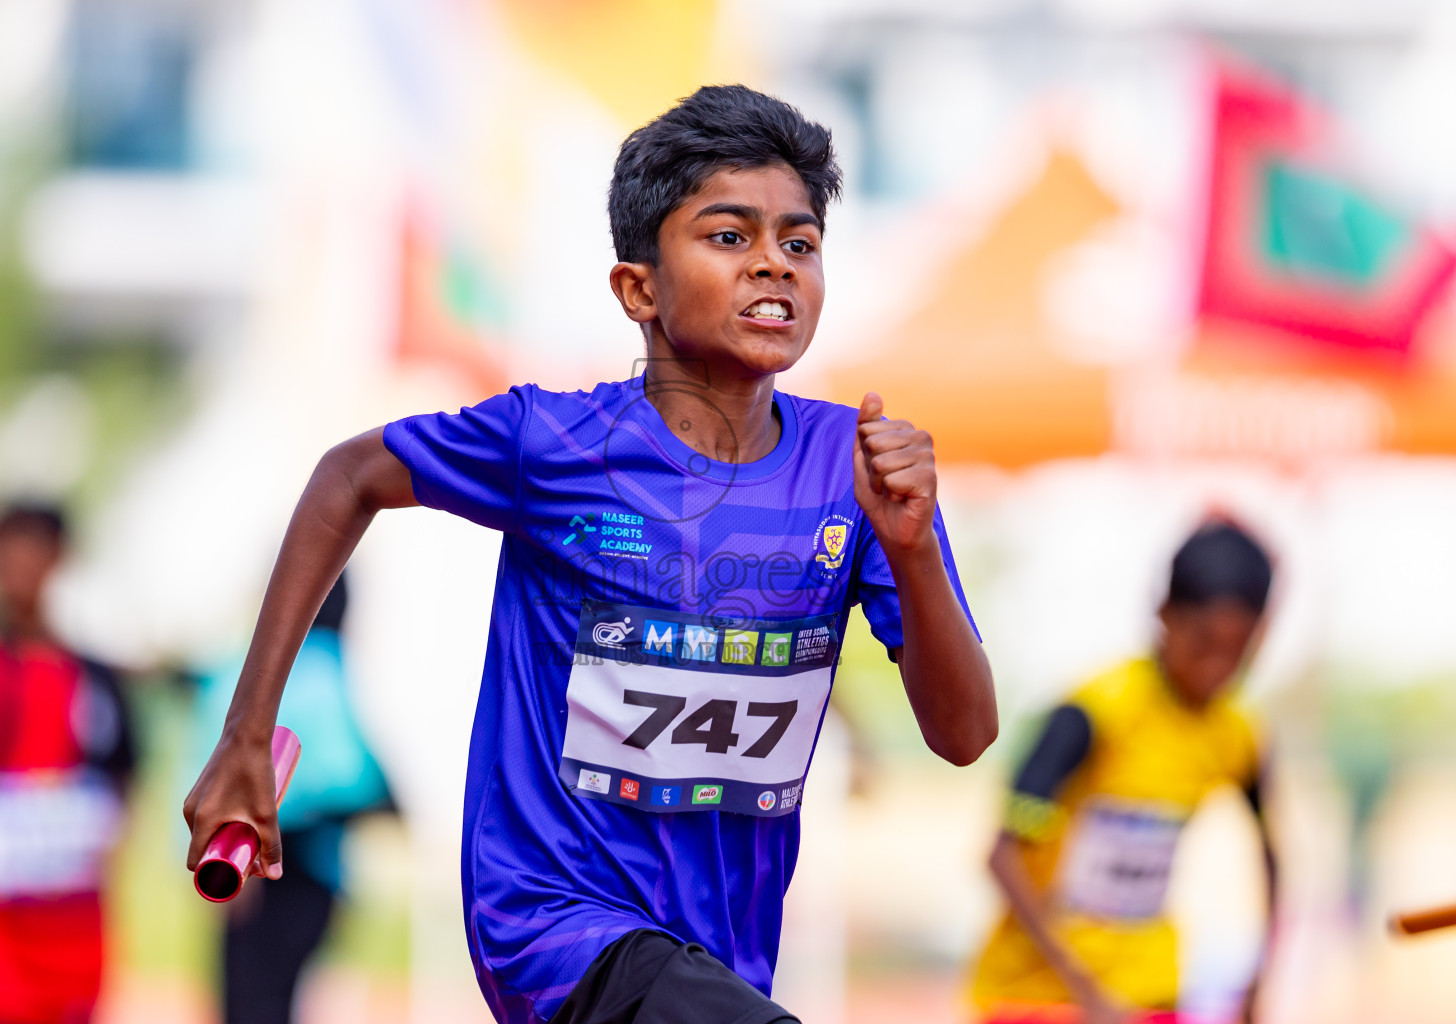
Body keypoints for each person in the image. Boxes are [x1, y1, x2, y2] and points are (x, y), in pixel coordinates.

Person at [183, 84, 998, 1024]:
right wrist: (247, 733)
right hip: (552, 927)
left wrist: (913, 553)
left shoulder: (857, 475)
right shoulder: (554, 443)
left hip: (723, 959)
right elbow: (347, 476)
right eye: (730, 237)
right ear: (638, 288)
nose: (773, 264)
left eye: (800, 242)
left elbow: (965, 734)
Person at [971, 521, 1278, 1024]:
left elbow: (1272, 855)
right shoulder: (1093, 713)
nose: (1216, 669)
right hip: (1037, 998)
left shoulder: (1237, 733)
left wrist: (1258, 981)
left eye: (1237, 651)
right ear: (1164, 616)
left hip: (1149, 993)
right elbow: (1003, 858)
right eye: (1204, 644)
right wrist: (1087, 994)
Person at [0, 503, 136, 1024]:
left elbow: (123, 786)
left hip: (73, 936)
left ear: (60, 559)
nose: (19, 564)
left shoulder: (95, 675)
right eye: (7, 549)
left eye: (34, 548)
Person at [188, 572, 393, 1024]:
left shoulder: (236, 671)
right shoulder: (323, 664)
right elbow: (354, 782)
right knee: (267, 1004)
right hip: (295, 867)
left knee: (244, 1003)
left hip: (236, 865)